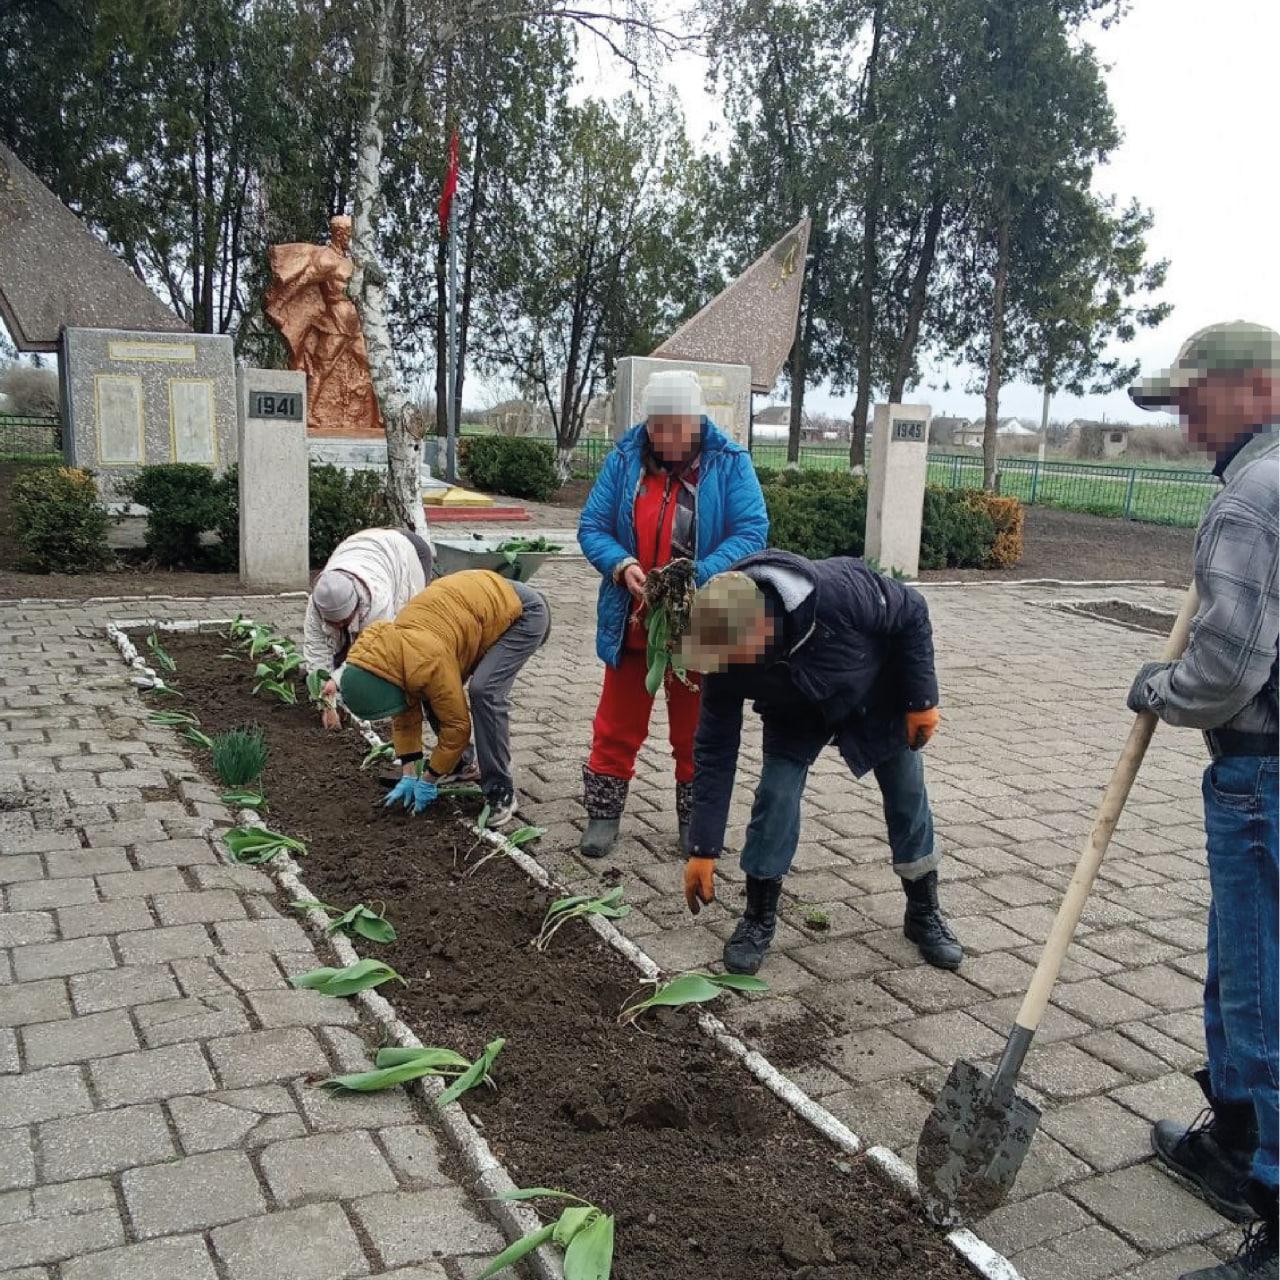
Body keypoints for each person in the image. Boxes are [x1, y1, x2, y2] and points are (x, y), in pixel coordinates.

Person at [1125, 321, 1278, 1280]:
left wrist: (1158, 689)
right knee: (1241, 964)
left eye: (1195, 400)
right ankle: (1234, 1138)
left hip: (1262, 770)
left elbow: (1224, 668)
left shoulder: (1253, 501)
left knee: (1260, 985)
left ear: (1257, 387)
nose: (1185, 421)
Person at [678, 551, 962, 975]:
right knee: (775, 797)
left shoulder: (839, 593)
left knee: (907, 793)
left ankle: (923, 912)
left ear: (761, 630)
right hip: (794, 712)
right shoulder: (723, 651)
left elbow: (913, 611)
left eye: (734, 661)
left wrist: (923, 700)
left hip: (874, 695)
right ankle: (758, 918)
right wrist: (703, 848)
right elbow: (715, 748)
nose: (724, 672)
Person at [577, 369, 768, 858]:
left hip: (699, 619)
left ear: (697, 421)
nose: (665, 439)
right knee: (617, 722)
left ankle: (696, 823)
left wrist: (696, 573)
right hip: (632, 618)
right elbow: (593, 526)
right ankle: (603, 814)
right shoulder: (625, 458)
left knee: (696, 729)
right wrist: (621, 566)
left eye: (676, 427)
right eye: (657, 427)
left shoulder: (729, 462)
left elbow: (751, 532)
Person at [338, 570, 549, 828]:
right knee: (431, 693)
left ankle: (500, 790)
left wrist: (427, 780)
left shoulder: (425, 659)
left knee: (485, 691)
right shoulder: (391, 658)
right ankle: (463, 764)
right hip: (480, 604)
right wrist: (409, 774)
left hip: (522, 613)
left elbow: (457, 726)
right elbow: (404, 714)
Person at [303, 527, 435, 732]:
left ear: (356, 606)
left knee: (409, 635)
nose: (337, 626)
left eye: (342, 621)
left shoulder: (377, 601)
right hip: (369, 547)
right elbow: (316, 647)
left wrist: (337, 681)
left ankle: (408, 704)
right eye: (332, 623)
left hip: (410, 553)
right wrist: (326, 699)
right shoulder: (318, 602)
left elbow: (372, 650)